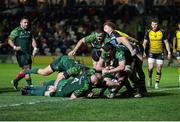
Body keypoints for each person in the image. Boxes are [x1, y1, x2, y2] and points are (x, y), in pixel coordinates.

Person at [103, 21, 147, 97]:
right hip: (130, 51)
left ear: (111, 28)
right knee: (131, 72)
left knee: (134, 71)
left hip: (135, 49)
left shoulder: (113, 33)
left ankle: (141, 90)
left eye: (106, 27)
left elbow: (123, 39)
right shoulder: (111, 37)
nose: (104, 29)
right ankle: (136, 90)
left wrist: (131, 49)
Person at [13, 55, 85, 90]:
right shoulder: (78, 72)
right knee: (44, 72)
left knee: (61, 82)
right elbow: (61, 77)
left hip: (67, 65)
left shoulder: (84, 73)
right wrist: (55, 87)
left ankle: (45, 84)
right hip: (61, 62)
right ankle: (27, 71)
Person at [21, 68, 101, 99]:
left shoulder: (85, 74)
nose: (95, 85)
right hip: (62, 91)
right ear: (93, 83)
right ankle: (27, 91)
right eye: (96, 84)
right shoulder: (85, 87)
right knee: (47, 93)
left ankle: (28, 87)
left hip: (64, 83)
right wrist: (85, 96)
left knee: (48, 87)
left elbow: (92, 70)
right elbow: (73, 97)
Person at [8, 16, 38, 90]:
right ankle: (30, 85)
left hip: (28, 54)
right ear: (20, 23)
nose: (26, 24)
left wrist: (35, 48)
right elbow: (9, 40)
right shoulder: (16, 31)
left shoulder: (29, 31)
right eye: (25, 22)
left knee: (27, 70)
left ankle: (15, 81)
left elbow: (33, 40)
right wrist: (14, 47)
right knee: (27, 69)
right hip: (20, 54)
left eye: (27, 22)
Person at [143, 18, 171, 89]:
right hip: (151, 52)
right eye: (153, 24)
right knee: (150, 68)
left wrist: (169, 52)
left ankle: (156, 83)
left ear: (158, 25)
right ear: (151, 25)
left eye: (155, 24)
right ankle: (150, 78)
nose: (154, 26)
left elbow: (166, 42)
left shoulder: (162, 32)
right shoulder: (148, 32)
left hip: (160, 53)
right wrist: (143, 51)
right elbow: (144, 43)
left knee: (159, 68)